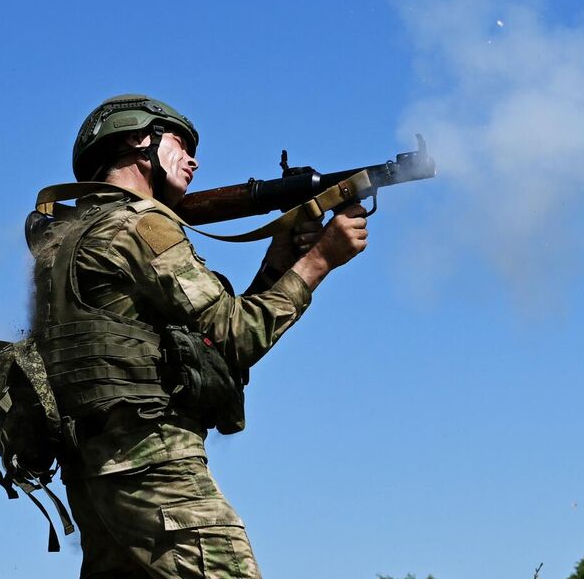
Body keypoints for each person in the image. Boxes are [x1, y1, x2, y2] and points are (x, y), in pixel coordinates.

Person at [33, 94, 368, 578]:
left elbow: (206, 350)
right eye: (179, 142)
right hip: (158, 471)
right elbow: (236, 339)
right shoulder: (141, 227)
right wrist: (320, 261)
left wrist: (277, 264)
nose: (194, 159)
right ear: (136, 140)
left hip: (94, 480)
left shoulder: (62, 240)